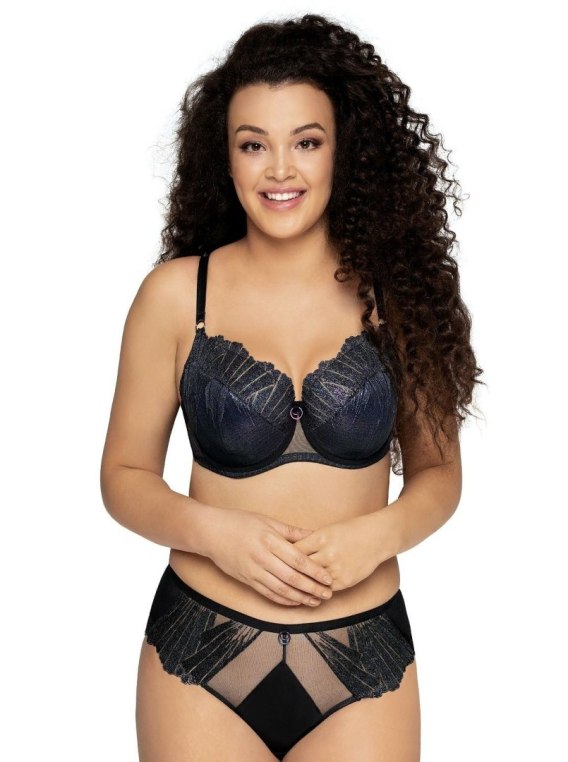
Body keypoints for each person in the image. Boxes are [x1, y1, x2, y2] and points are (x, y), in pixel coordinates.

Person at [100, 13, 482, 762]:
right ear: (226, 158)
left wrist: (376, 537)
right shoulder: (176, 296)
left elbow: (440, 473)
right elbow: (123, 476)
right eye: (254, 145)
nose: (280, 170)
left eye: (306, 142)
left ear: (345, 152)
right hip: (202, 647)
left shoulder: (400, 295)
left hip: (363, 653)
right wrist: (217, 534)